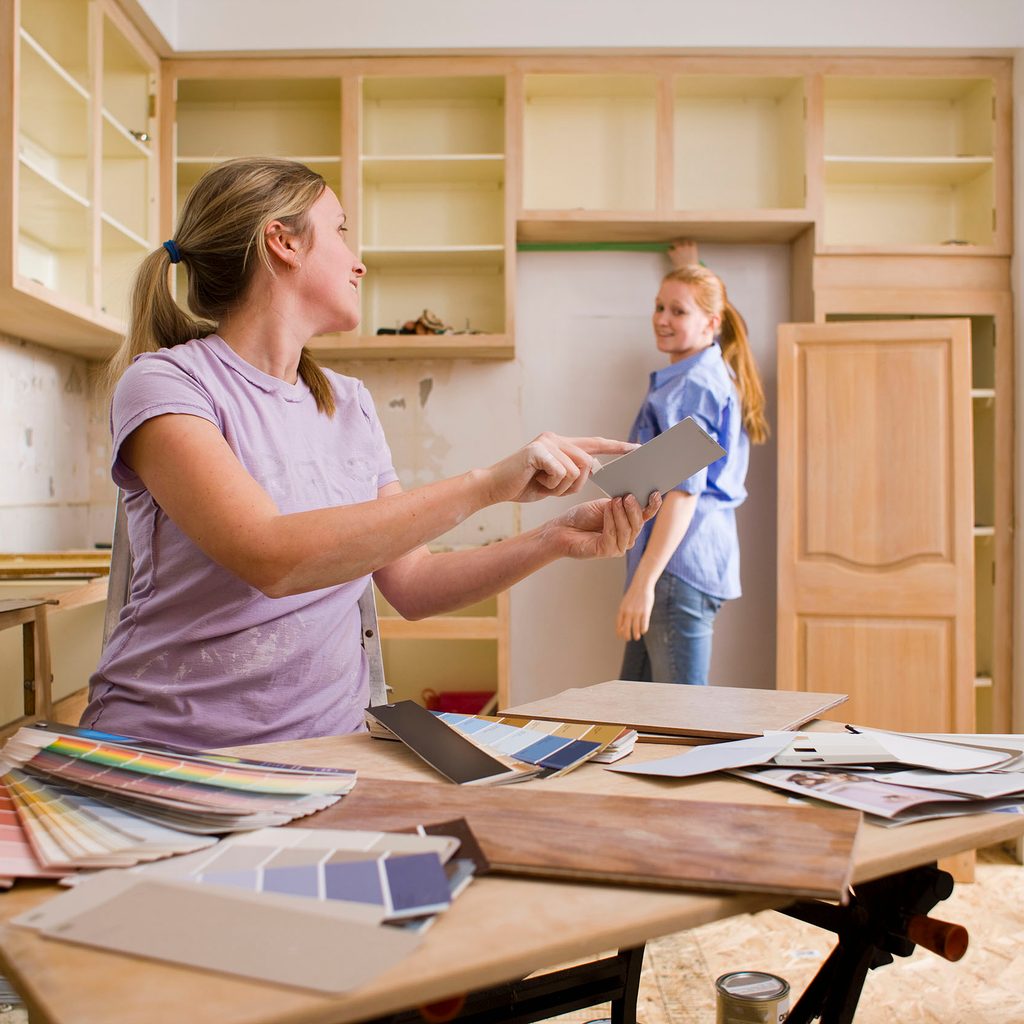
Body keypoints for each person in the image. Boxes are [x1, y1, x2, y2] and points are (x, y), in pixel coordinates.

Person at [82, 157, 660, 749]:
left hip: (327, 750)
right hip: (171, 750)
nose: (358, 259)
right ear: (282, 242)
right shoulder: (167, 384)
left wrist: (556, 536)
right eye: (339, 229)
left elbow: (413, 582)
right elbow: (271, 559)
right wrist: (489, 483)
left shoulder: (347, 403)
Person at [616, 241, 768, 686]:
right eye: (659, 307)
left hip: (673, 571)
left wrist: (644, 583)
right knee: (634, 712)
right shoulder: (710, 372)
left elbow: (683, 492)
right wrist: (692, 270)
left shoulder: (693, 387)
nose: (662, 319)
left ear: (711, 323)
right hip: (684, 567)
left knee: (682, 723)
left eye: (677, 312)